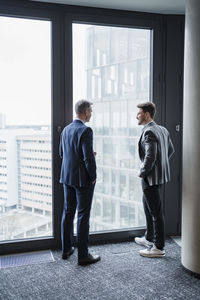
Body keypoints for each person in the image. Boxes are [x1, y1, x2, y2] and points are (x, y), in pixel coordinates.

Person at [59, 99, 100, 265]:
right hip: (83, 180)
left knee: (68, 212)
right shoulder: (86, 130)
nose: (91, 114)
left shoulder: (66, 129)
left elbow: (63, 153)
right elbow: (88, 159)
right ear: (85, 112)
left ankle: (66, 249)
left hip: (67, 177)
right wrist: (93, 176)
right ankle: (83, 255)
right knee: (83, 215)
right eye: (90, 111)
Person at [135, 102, 174, 258]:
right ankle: (149, 237)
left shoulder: (149, 131)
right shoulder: (162, 129)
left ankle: (159, 247)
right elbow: (170, 150)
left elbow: (150, 156)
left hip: (149, 177)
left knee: (156, 212)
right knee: (148, 207)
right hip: (158, 176)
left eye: (138, 113)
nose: (136, 116)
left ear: (146, 114)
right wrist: (161, 166)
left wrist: (143, 171)